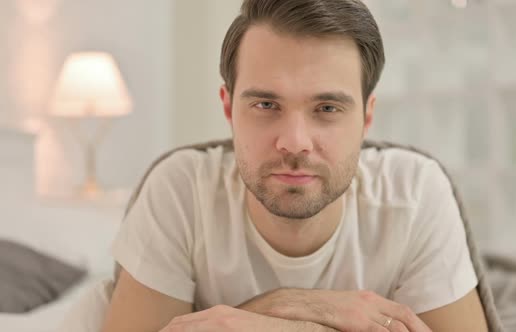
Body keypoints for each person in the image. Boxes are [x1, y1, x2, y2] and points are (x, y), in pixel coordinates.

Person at [100, 0, 489, 331]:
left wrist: (247, 321)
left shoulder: (415, 192)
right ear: (228, 107)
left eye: (327, 108)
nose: (295, 142)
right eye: (266, 105)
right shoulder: (180, 189)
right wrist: (297, 305)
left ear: (367, 118)